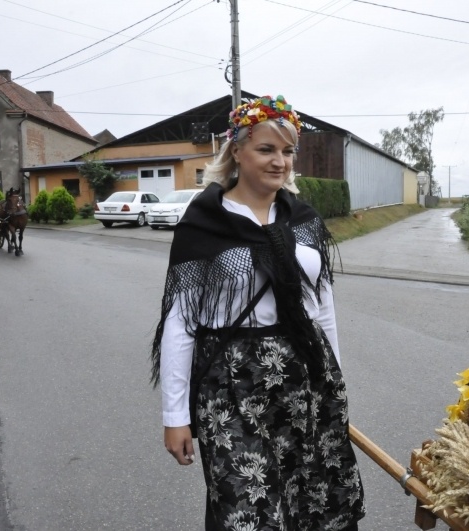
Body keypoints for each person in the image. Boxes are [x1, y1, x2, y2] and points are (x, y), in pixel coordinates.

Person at [151, 95, 365, 530]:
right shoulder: (204, 223)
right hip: (231, 386)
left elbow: (322, 311)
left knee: (312, 501)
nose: (279, 162)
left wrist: (334, 384)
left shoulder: (301, 219)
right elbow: (180, 324)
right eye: (266, 149)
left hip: (305, 383)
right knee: (247, 511)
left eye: (287, 151)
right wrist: (176, 417)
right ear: (237, 151)